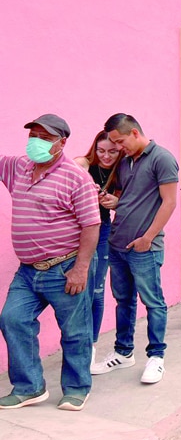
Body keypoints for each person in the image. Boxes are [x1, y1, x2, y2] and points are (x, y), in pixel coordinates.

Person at [0, 115, 100, 411]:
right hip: (28, 271)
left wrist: (80, 269)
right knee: (12, 319)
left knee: (75, 331)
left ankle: (77, 387)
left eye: (45, 137)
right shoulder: (19, 167)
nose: (36, 142)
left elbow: (91, 226)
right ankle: (30, 387)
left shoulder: (76, 176)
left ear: (61, 143)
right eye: (33, 135)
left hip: (64, 267)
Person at [92, 114, 178, 385]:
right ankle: (123, 352)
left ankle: (156, 357)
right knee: (123, 301)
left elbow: (169, 203)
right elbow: (134, 198)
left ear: (134, 133)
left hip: (144, 248)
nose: (117, 148)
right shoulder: (127, 161)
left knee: (153, 302)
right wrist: (115, 202)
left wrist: (148, 238)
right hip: (117, 244)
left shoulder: (162, 158)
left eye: (119, 142)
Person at [74, 130, 123, 369]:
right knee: (77, 288)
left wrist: (115, 202)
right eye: (101, 150)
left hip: (103, 229)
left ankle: (91, 347)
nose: (106, 156)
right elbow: (74, 166)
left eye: (112, 151)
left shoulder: (122, 171)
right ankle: (76, 345)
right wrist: (83, 180)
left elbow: (127, 201)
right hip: (76, 230)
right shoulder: (86, 163)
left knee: (97, 289)